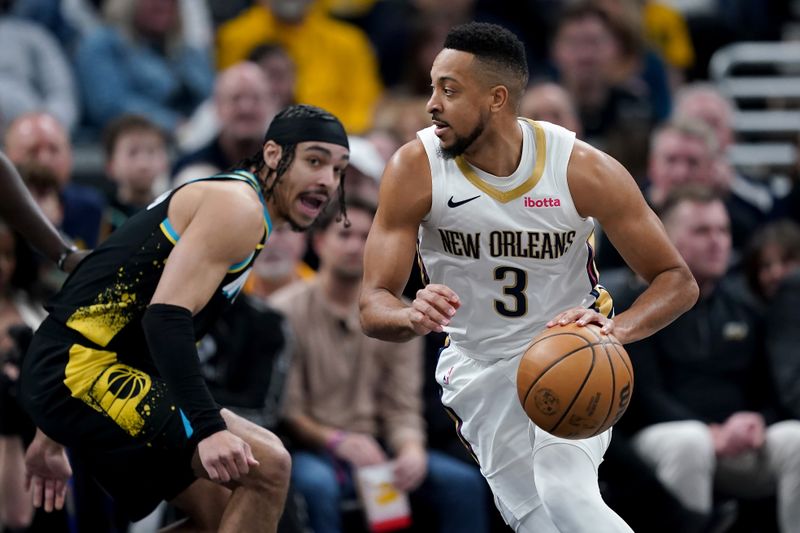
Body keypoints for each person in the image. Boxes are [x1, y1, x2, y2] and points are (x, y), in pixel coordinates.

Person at [358, 22, 697, 533]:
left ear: (496, 99)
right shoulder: (415, 168)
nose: (431, 104)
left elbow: (676, 279)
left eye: (449, 90)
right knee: (540, 524)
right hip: (480, 368)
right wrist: (409, 315)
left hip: (569, 351)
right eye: (432, 87)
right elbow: (371, 303)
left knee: (567, 495)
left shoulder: (581, 169)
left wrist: (615, 332)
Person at [16, 104, 350, 532]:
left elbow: (126, 319)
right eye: (315, 160)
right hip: (80, 371)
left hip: (83, 370)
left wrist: (49, 433)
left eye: (339, 170)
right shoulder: (238, 208)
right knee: (268, 466)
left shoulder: (241, 207)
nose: (327, 180)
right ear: (271, 155)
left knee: (225, 513)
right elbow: (164, 318)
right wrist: (208, 428)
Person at [272, 198, 490, 533]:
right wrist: (337, 441)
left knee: (462, 484)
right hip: (313, 449)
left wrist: (411, 449)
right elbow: (290, 409)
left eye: (364, 237)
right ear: (319, 242)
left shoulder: (400, 314)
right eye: (344, 235)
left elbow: (402, 404)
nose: (355, 246)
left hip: (381, 446)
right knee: (316, 486)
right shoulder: (285, 310)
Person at [620, 185, 800, 532]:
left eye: (723, 230)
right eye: (702, 231)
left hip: (735, 441)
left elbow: (770, 391)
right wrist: (711, 431)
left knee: (795, 438)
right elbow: (646, 397)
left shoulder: (746, 308)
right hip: (661, 438)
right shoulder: (636, 304)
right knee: (690, 441)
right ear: (666, 236)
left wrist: (755, 421)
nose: (717, 240)